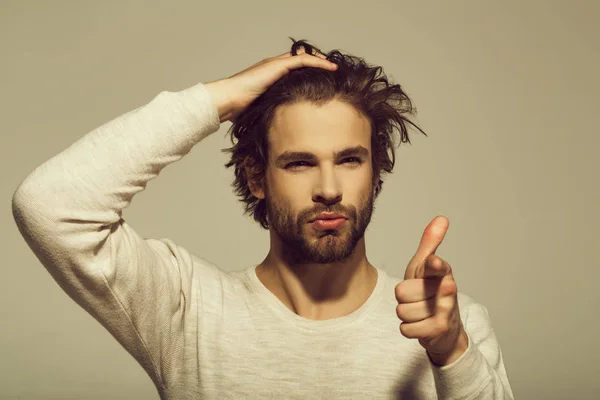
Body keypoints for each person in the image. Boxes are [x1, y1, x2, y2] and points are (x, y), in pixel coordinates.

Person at [12, 38, 514, 399]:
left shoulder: (452, 323)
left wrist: (451, 353)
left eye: (349, 159)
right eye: (299, 162)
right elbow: (51, 205)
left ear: (375, 172)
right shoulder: (187, 309)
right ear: (257, 177)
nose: (329, 189)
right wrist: (222, 97)